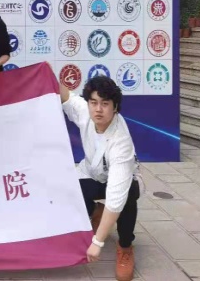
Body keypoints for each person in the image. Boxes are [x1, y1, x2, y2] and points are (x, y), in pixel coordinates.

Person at [59, 74, 140, 281]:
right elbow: (66, 96)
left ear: (115, 107)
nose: (98, 109)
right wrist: (47, 74)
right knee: (67, 190)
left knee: (127, 198)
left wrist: (97, 242)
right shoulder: (86, 112)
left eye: (105, 104)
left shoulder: (121, 142)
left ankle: (125, 247)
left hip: (118, 181)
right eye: (93, 102)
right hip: (91, 173)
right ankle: (97, 212)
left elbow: (115, 196)